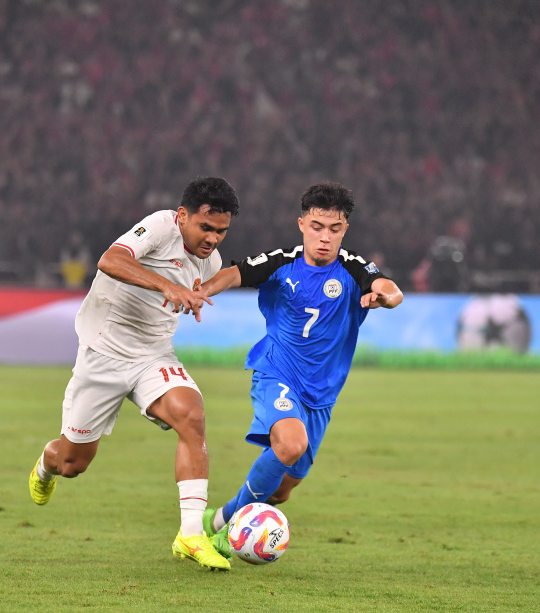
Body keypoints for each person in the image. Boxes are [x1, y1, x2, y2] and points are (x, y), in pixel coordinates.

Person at [29, 177, 240, 571]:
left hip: (152, 357)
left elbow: (189, 292)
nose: (212, 239)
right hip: (103, 353)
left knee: (192, 417)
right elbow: (110, 260)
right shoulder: (160, 227)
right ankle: (46, 462)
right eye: (206, 227)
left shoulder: (209, 262)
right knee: (72, 464)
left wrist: (190, 298)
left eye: (221, 231)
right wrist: (167, 285)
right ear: (183, 216)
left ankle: (190, 534)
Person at [195, 181, 403, 558]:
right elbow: (236, 273)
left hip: (322, 396)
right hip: (278, 372)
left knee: (281, 490)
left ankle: (218, 521)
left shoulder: (353, 268)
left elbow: (387, 286)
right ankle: (230, 534)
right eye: (317, 227)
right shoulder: (282, 261)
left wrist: (386, 296)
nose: (325, 237)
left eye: (334, 229)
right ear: (302, 224)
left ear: (345, 231)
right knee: (290, 444)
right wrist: (202, 290)